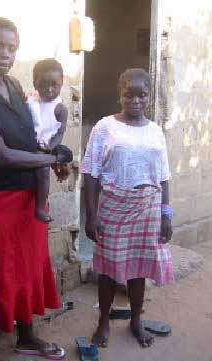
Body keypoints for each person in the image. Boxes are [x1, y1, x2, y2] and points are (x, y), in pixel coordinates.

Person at [0, 17, 73, 360]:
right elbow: (1, 154)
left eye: (11, 48)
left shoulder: (17, 86)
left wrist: (55, 159)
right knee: (3, 269)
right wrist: (49, 160)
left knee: (31, 265)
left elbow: (36, 138)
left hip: (31, 197)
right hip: (2, 196)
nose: (5, 54)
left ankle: (26, 336)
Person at [81, 68, 174, 348]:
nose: (135, 101)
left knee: (138, 269)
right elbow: (90, 171)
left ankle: (136, 320)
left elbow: (164, 174)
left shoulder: (155, 130)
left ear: (149, 97)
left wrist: (166, 214)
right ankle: (103, 322)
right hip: (114, 207)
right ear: (119, 95)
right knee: (109, 270)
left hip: (148, 208)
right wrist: (91, 214)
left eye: (141, 95)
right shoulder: (105, 127)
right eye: (128, 94)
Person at [27, 58, 68, 223]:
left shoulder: (59, 108)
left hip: (46, 147)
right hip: (27, 143)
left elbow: (60, 133)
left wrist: (50, 148)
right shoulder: (30, 101)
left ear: (61, 83)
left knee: (43, 171)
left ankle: (40, 207)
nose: (49, 89)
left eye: (55, 85)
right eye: (44, 84)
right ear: (35, 83)